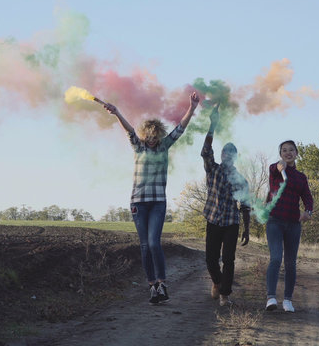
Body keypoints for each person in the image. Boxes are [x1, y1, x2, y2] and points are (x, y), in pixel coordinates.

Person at [103, 92, 200, 304]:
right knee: (144, 245)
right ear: (145, 135)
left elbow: (180, 129)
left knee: (154, 243)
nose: (152, 139)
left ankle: (162, 283)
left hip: (157, 202)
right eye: (149, 136)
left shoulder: (165, 146)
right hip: (138, 202)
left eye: (155, 136)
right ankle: (152, 286)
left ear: (159, 135)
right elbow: (129, 130)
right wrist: (117, 112)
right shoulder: (138, 146)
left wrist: (191, 108)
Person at [201, 104, 251, 306]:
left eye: (231, 154)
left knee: (228, 259)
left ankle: (225, 295)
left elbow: (245, 206)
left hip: (231, 222)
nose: (227, 156)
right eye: (225, 153)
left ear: (235, 157)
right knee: (211, 260)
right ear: (221, 156)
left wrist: (247, 229)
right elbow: (206, 151)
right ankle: (217, 282)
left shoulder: (240, 180)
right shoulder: (212, 169)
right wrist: (213, 125)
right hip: (213, 220)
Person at [265, 140, 314, 313]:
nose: (288, 153)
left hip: (293, 224)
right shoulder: (276, 170)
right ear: (281, 154)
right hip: (275, 222)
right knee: (276, 258)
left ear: (296, 153)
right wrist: (280, 167)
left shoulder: (301, 177)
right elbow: (274, 168)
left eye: (291, 150)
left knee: (290, 263)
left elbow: (308, 197)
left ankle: (287, 300)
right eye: (284, 150)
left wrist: (308, 211)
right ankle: (271, 297)